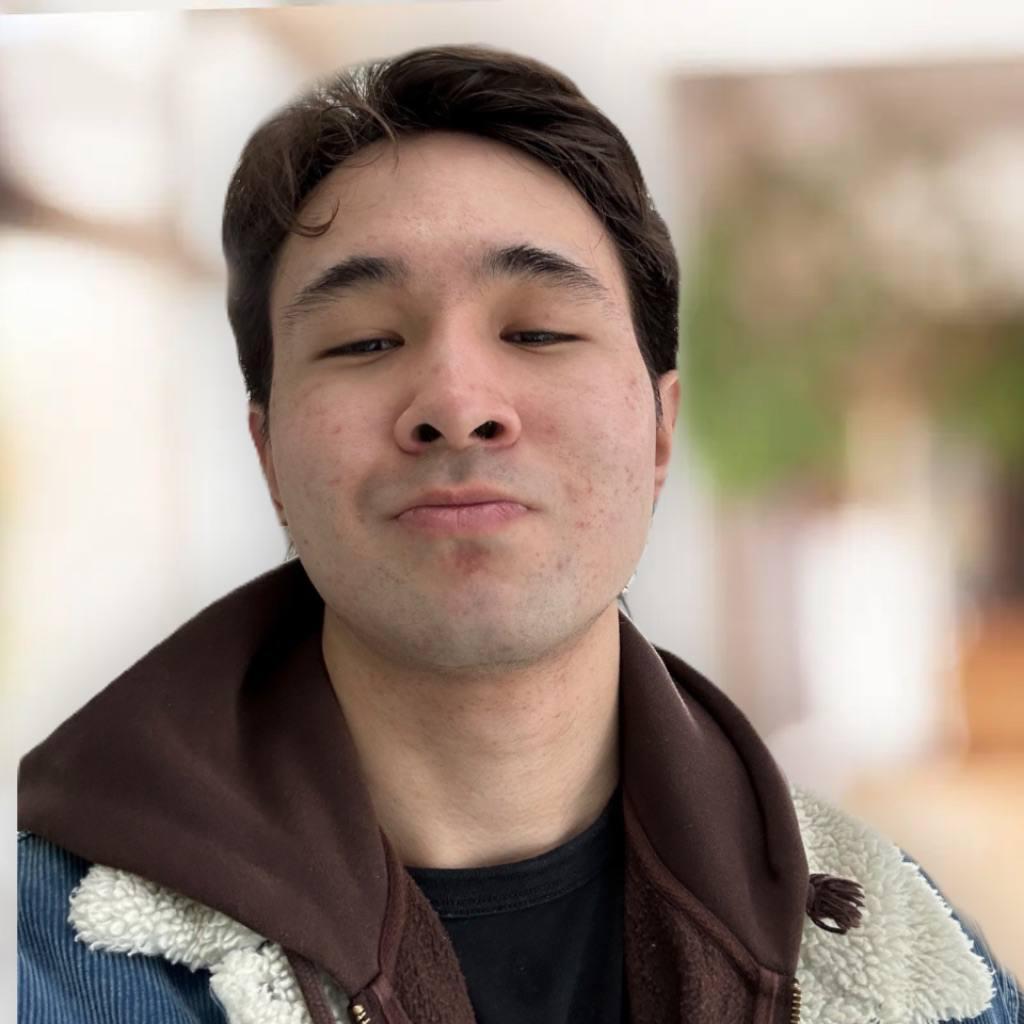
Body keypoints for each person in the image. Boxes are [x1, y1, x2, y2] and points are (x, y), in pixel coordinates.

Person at [17, 44, 1021, 1024]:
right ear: (268, 452)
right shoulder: (37, 961)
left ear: (660, 428)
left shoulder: (908, 970)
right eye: (364, 340)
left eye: (538, 331)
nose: (457, 405)